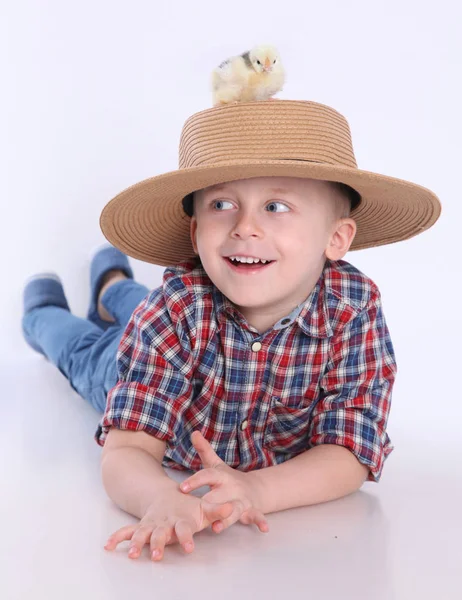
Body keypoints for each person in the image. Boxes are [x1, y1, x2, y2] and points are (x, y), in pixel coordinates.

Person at [22, 99, 441, 562]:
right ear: (196, 232)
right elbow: (127, 452)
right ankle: (42, 311)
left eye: (276, 206)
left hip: (174, 322)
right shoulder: (175, 309)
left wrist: (258, 488)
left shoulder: (353, 310)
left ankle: (112, 282)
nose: (245, 227)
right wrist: (158, 496)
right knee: (85, 350)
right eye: (223, 204)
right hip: (130, 363)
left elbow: (351, 451)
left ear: (336, 239)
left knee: (140, 304)